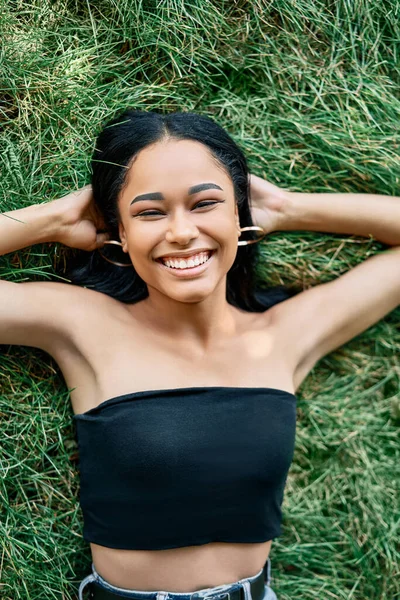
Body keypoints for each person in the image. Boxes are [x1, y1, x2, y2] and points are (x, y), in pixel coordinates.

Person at [1, 110, 399, 600]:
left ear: (238, 215)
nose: (182, 232)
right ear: (120, 233)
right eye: (149, 212)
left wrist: (288, 208)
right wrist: (52, 220)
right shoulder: (83, 325)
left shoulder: (284, 335)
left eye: (205, 204)